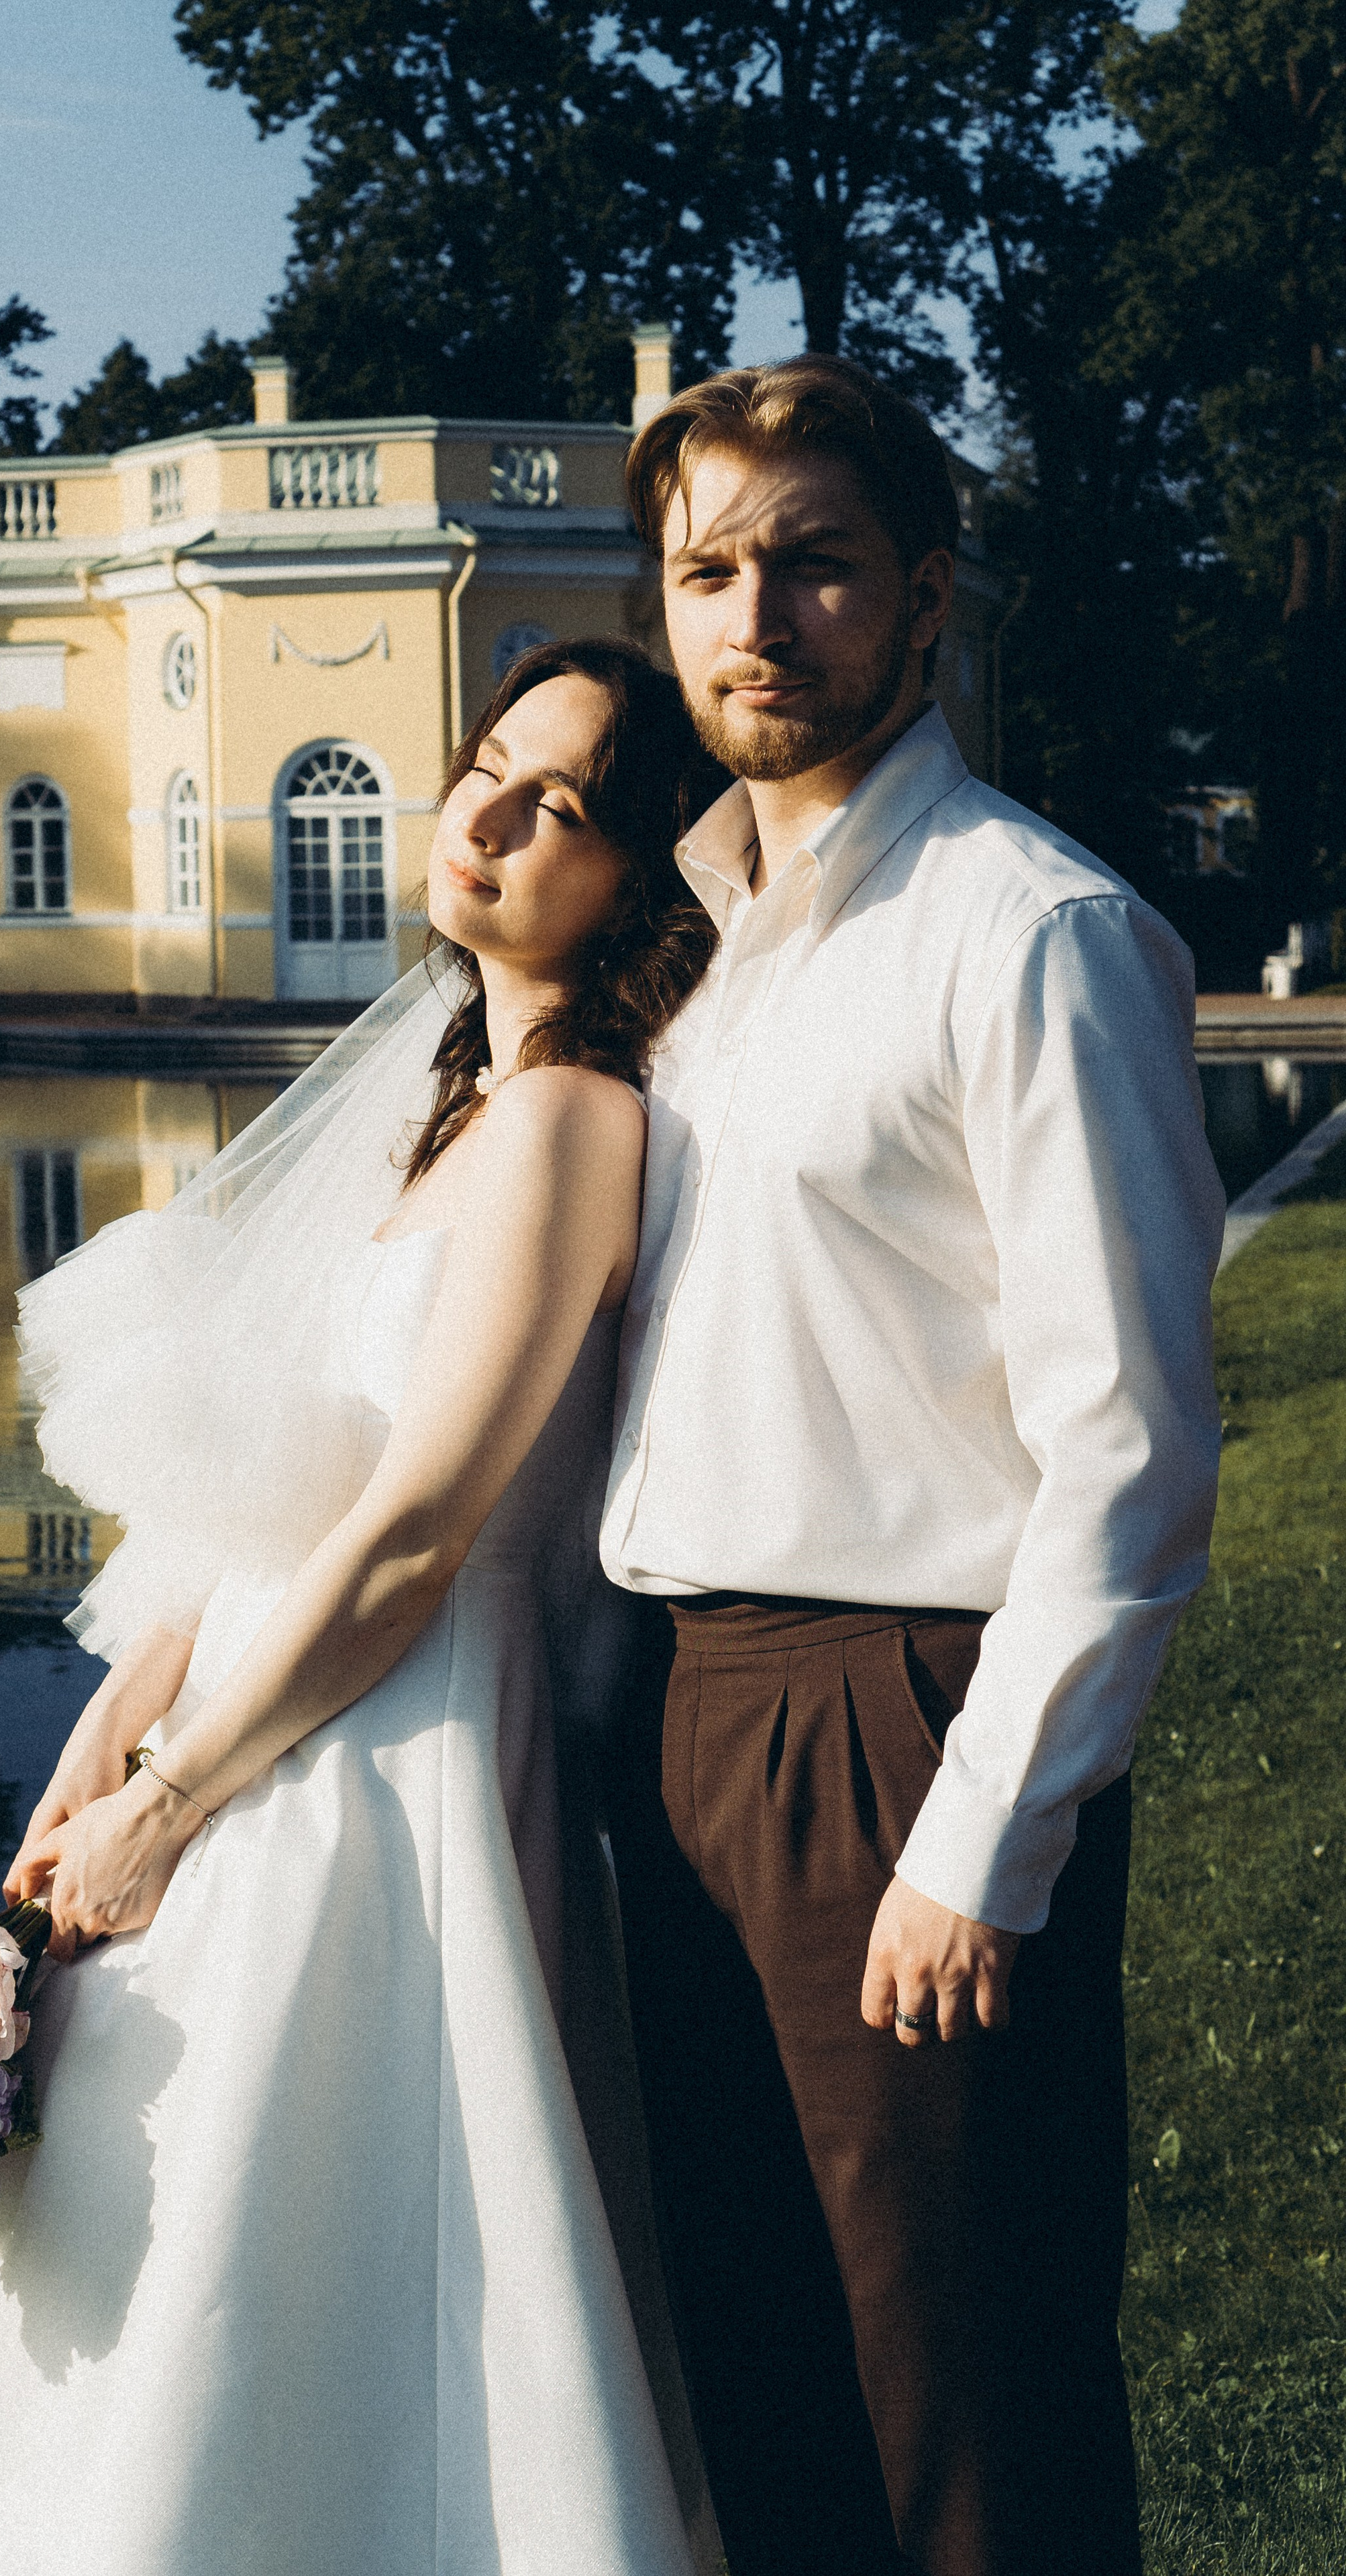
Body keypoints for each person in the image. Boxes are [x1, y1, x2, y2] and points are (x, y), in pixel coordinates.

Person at [0, 639, 727, 2576]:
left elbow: (412, 1533)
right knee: (149, 2228)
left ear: (633, 877)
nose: (481, 813)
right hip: (265, 1705)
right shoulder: (453, 1114)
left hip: (390, 1761)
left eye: (555, 805)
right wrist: (97, 1750)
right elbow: (266, 1512)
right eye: (484, 763)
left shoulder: (573, 1124)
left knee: (295, 2253)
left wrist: (178, 1794)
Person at [599, 357, 1225, 2576]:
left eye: (815, 563)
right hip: (683, 1720)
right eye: (707, 571)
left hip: (897, 1725)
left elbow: (1132, 1446)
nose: (754, 614)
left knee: (959, 2395)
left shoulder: (1026, 935)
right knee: (760, 2373)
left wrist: (983, 1834)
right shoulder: (705, 947)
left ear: (926, 597)